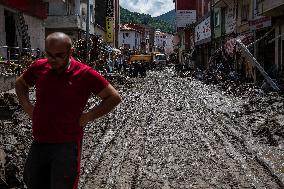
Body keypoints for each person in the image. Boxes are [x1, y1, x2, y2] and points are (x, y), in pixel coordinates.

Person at [15, 32, 122, 189]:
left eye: (59, 56)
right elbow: (20, 83)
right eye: (49, 54)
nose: (53, 60)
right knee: (32, 181)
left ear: (70, 52)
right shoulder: (39, 67)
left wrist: (89, 116)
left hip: (66, 145)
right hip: (39, 141)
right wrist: (27, 106)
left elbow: (113, 97)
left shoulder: (85, 74)